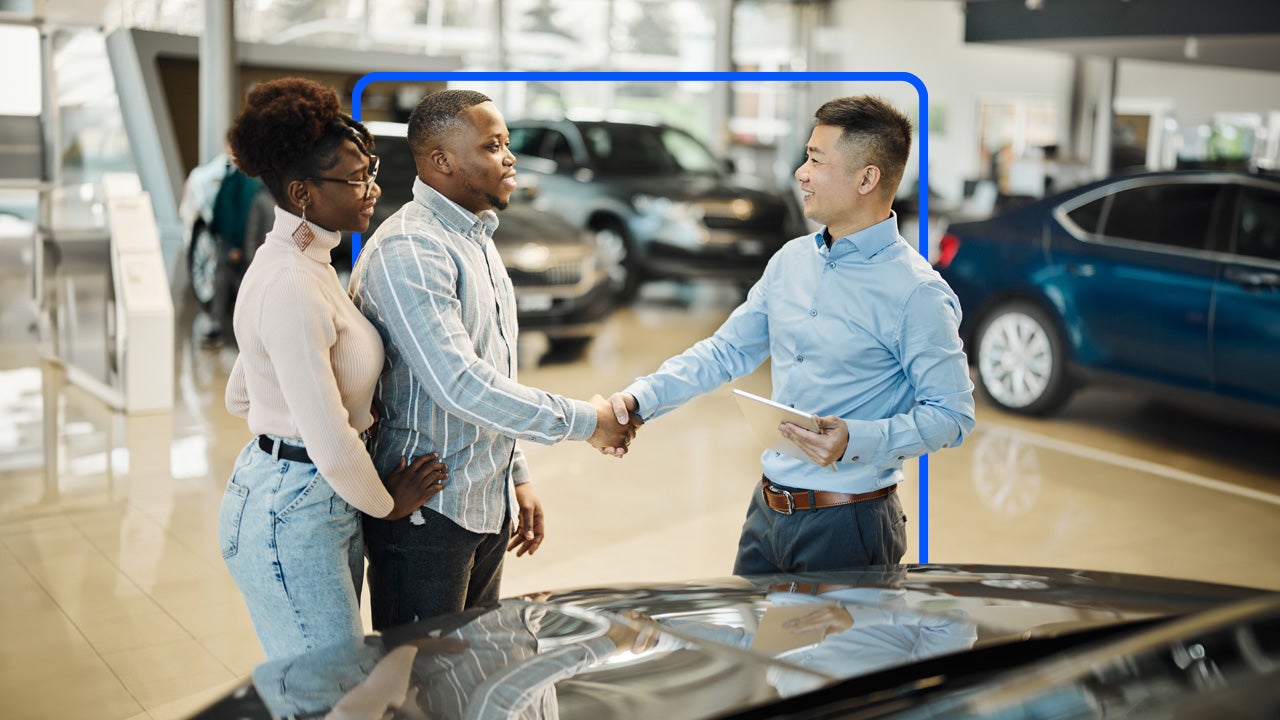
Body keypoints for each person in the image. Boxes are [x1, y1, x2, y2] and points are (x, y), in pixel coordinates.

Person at [608, 95, 976, 574]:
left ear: (867, 178)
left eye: (816, 160)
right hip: (766, 513)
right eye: (805, 156)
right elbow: (725, 351)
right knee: (750, 650)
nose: (800, 173)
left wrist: (857, 439)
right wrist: (639, 401)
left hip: (850, 524)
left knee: (831, 654)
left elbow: (952, 415)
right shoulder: (790, 261)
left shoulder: (917, 294)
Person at [348, 89, 639, 630]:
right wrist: (588, 422)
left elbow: (494, 368)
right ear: (442, 161)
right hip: (428, 512)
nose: (510, 158)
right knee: (425, 688)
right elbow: (461, 384)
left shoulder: (476, 237)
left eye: (507, 144)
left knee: (469, 678)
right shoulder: (412, 248)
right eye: (493, 146)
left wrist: (516, 475)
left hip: (483, 499)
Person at [218, 77, 448, 660]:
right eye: (355, 179)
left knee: (332, 685)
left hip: (304, 491)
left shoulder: (300, 261)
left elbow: (241, 394)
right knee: (331, 692)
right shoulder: (293, 282)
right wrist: (385, 502)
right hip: (296, 505)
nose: (372, 188)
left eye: (369, 170)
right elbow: (323, 432)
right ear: (302, 193)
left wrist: (280, 414)